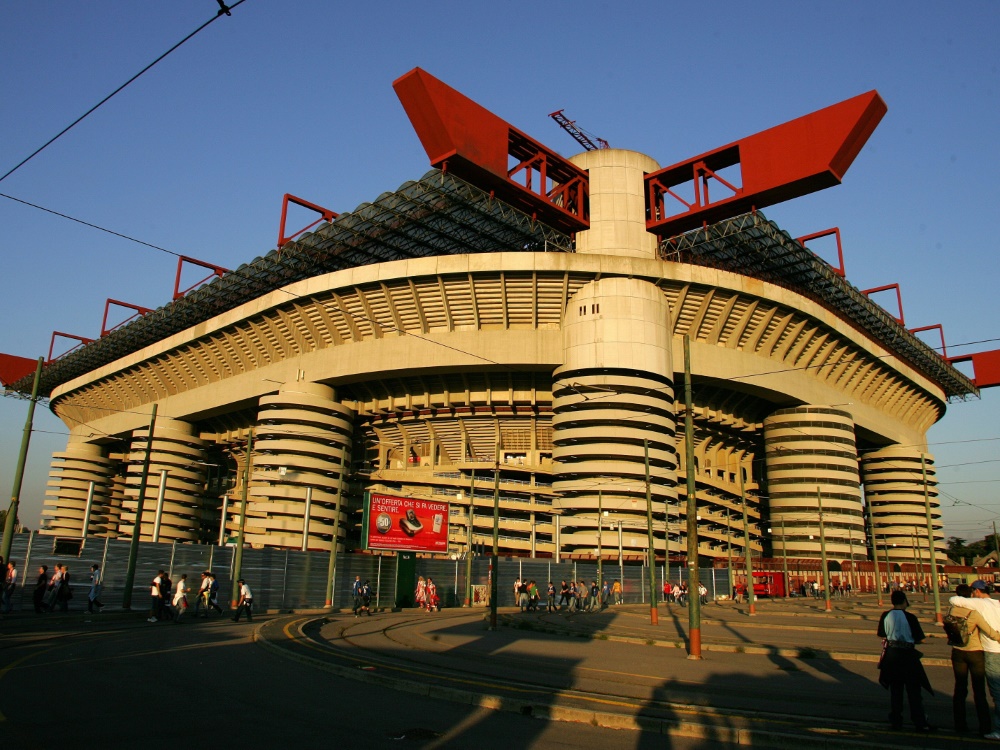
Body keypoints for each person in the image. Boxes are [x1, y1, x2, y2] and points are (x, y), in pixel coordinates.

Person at [876, 590, 935, 732]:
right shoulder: (910, 617)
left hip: (892, 655)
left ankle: (896, 721)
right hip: (908, 655)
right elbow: (920, 638)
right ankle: (919, 721)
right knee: (914, 691)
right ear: (904, 601)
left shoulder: (886, 615)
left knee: (896, 691)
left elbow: (881, 634)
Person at [947, 583, 1000, 735]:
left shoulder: (951, 610)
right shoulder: (973, 612)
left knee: (960, 689)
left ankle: (960, 725)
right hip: (975, 653)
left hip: (957, 652)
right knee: (979, 692)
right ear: (970, 594)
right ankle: (984, 726)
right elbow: (987, 629)